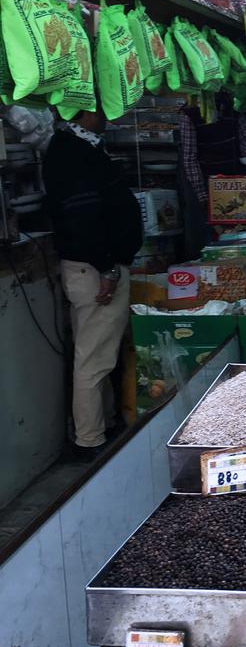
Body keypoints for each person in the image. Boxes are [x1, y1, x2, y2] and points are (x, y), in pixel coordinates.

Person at [43, 108, 143, 459]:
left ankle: (105, 426)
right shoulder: (70, 151)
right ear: (82, 112)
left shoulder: (81, 146)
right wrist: (107, 268)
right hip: (94, 270)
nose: (107, 113)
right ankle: (89, 442)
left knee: (100, 354)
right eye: (100, 106)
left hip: (97, 267)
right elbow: (82, 216)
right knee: (93, 359)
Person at [178, 91, 246, 258]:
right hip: (210, 187)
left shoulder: (234, 107)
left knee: (245, 234)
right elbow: (190, 158)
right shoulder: (189, 113)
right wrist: (202, 196)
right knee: (216, 238)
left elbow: (245, 144)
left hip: (239, 183)